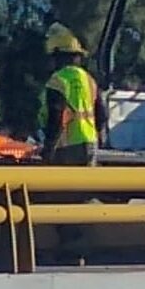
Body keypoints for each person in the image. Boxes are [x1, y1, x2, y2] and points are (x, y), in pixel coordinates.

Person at [39, 22, 108, 263]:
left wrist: (48, 149)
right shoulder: (90, 80)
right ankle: (80, 248)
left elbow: (57, 117)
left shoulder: (58, 81)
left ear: (58, 57)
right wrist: (98, 138)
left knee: (62, 199)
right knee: (81, 197)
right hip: (89, 145)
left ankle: (72, 249)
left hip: (66, 147)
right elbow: (102, 114)